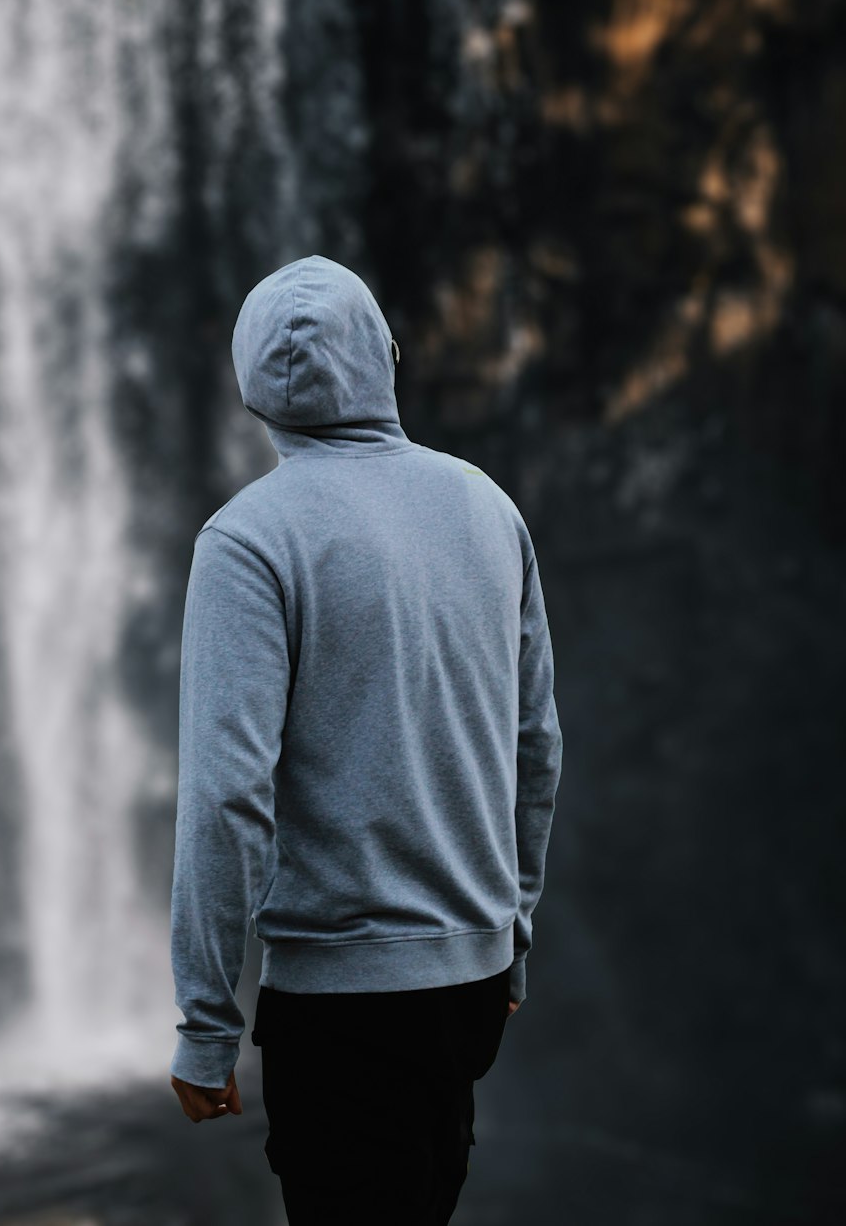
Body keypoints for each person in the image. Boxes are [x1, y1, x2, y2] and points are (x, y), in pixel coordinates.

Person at [169, 254, 563, 1224]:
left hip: (339, 1006)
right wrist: (510, 934)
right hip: (468, 989)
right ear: (387, 356)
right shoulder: (489, 509)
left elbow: (228, 797)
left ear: (251, 386)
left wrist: (206, 1027)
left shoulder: (249, 539)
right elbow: (536, 743)